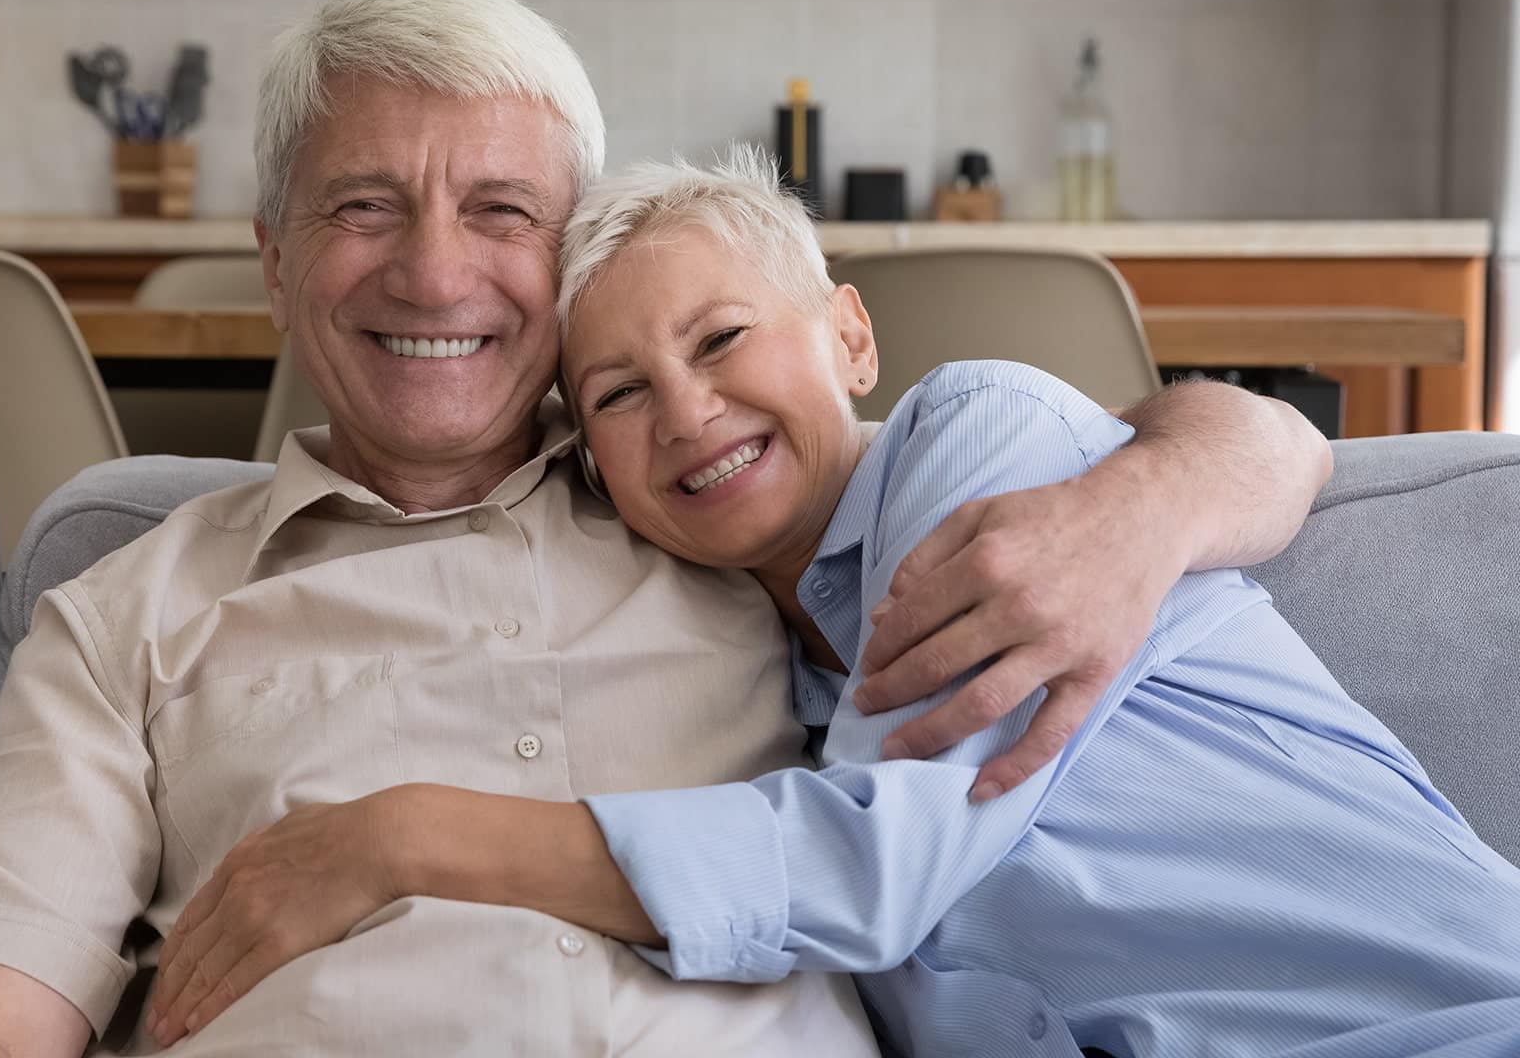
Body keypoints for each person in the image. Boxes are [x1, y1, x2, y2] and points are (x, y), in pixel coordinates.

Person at [0, 0, 1332, 1056]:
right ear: (273, 257)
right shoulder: (128, 615)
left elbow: (1217, 444)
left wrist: (1145, 503)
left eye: (500, 212)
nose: (435, 277)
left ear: (566, 263)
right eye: (365, 206)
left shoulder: (725, 504)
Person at [159, 148, 1520, 1057]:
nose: (688, 414)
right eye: (622, 394)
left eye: (722, 339)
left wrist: (393, 839)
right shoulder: (762, 686)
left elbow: (870, 869)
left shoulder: (979, 450)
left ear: (851, 336)